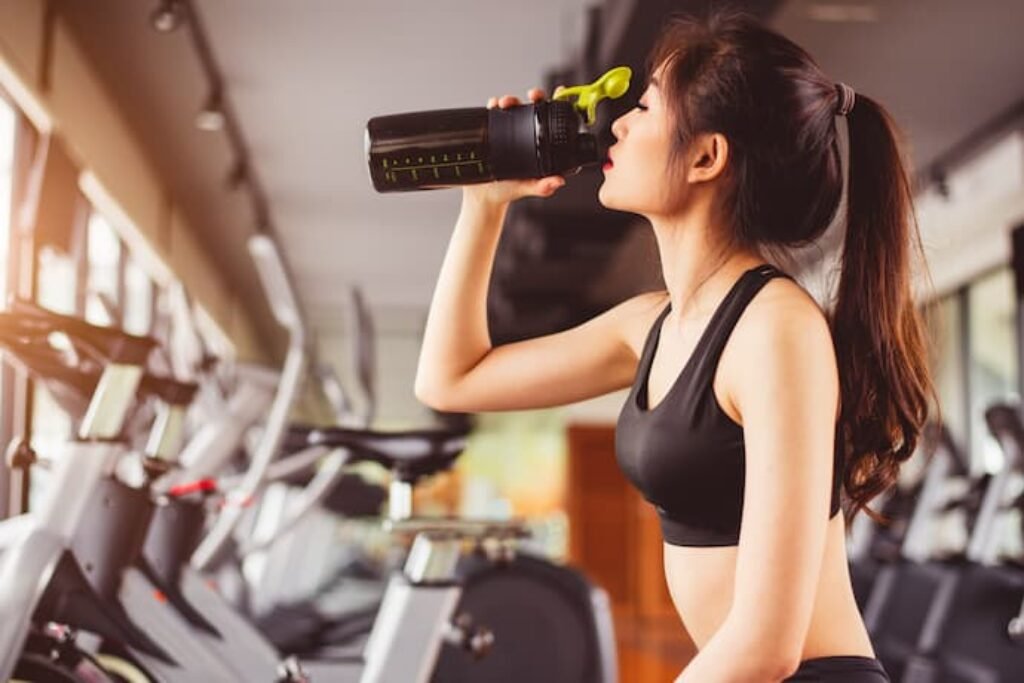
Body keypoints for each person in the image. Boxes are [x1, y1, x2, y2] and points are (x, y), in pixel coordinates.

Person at [414, 8, 934, 682]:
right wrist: (482, 211)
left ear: (706, 156)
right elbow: (450, 380)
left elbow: (768, 643)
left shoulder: (775, 330)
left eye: (647, 107)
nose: (619, 124)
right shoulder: (652, 324)